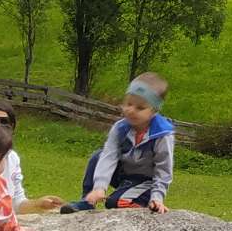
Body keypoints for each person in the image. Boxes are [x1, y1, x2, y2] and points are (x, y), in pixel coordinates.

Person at [61, 73, 175, 212]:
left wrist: (157, 197)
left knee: (113, 203)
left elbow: (163, 170)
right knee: (98, 156)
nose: (131, 110)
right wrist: (99, 187)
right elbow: (109, 155)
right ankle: (88, 201)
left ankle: (145, 205)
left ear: (154, 111)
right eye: (128, 104)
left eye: (140, 108)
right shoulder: (120, 128)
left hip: (146, 182)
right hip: (124, 175)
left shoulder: (162, 134)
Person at [0, 100, 63, 214]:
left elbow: (17, 203)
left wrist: (39, 204)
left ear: (12, 128)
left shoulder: (12, 158)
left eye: (4, 122)